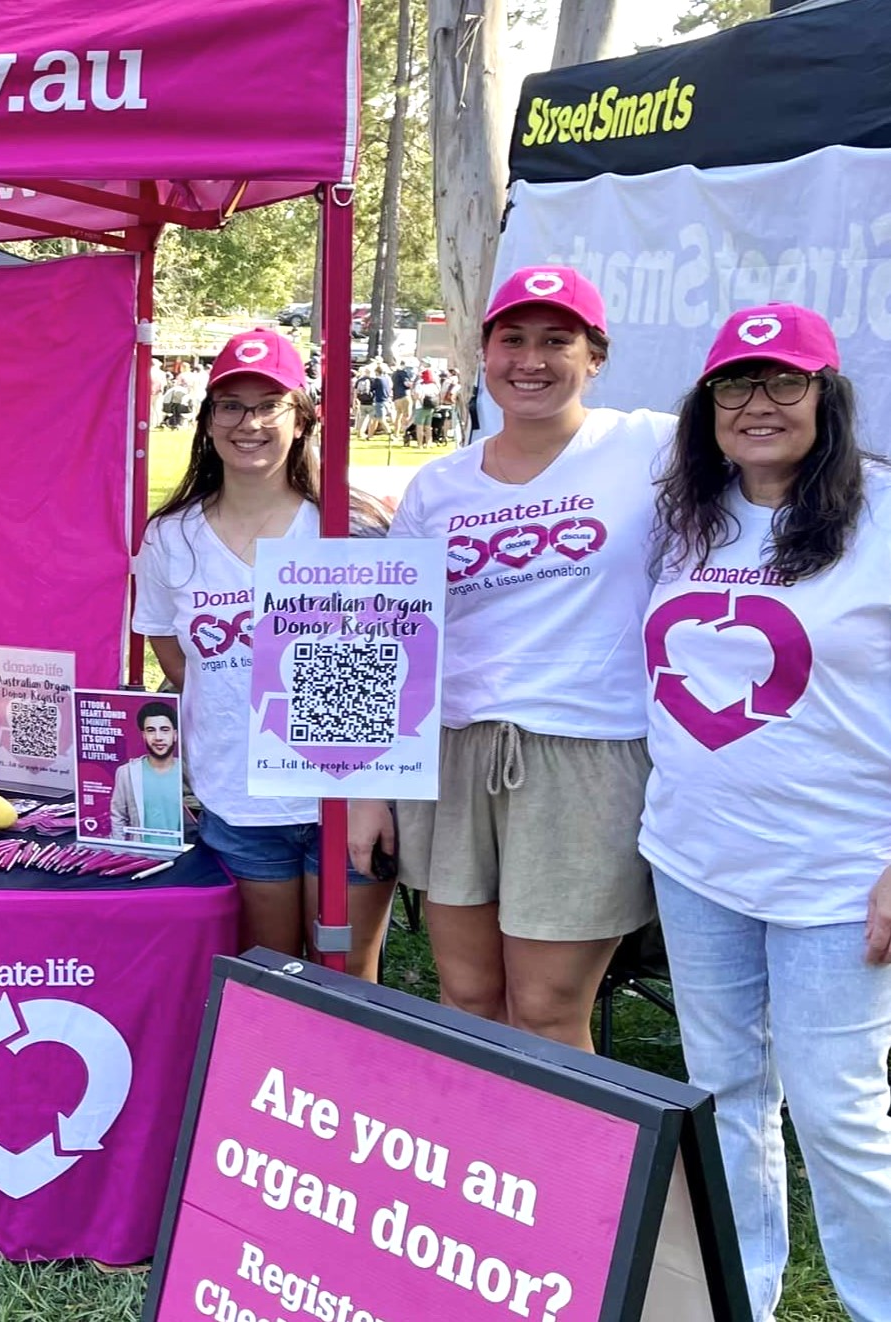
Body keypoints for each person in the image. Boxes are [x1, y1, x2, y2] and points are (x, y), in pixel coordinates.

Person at [643, 304, 891, 1322]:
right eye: (736, 385)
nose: (759, 404)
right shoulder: (682, 516)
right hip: (695, 857)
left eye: (784, 381)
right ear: (705, 408)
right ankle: (735, 1295)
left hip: (836, 869)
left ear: (825, 397)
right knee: (722, 1097)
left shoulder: (878, 513)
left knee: (840, 1112)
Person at [353, 267, 674, 1050]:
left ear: (594, 357)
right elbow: (387, 638)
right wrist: (365, 788)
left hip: (586, 753)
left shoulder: (652, 447)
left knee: (546, 1007)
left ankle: (567, 1168)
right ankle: (491, 1161)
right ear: (484, 352)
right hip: (456, 751)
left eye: (556, 341)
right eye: (513, 340)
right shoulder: (439, 485)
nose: (531, 360)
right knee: (467, 994)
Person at [135, 329, 397, 981]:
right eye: (231, 405)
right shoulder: (172, 537)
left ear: (303, 419)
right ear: (208, 419)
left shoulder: (351, 527)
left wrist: (370, 794)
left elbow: (393, 671)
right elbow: (176, 660)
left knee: (345, 978)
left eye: (268, 405)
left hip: (341, 794)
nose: (247, 423)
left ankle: (347, 1088)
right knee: (268, 976)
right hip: (241, 800)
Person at [109, 701, 182, 845]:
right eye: (151, 730)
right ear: (143, 735)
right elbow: (118, 817)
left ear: (175, 734)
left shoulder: (187, 772)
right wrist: (120, 853)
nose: (158, 737)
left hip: (181, 859)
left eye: (165, 729)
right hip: (141, 857)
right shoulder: (127, 772)